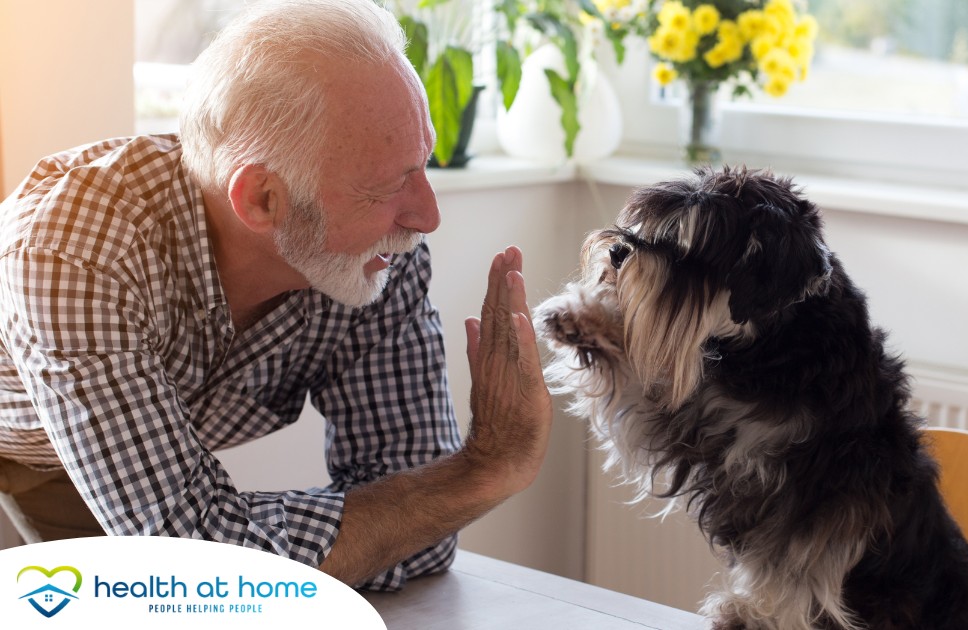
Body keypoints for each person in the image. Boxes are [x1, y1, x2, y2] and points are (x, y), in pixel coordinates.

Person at [0, 0, 553, 590]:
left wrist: (239, 536)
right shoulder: (75, 251)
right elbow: (195, 564)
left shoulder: (375, 254)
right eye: (388, 185)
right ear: (263, 200)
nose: (427, 217)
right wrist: (487, 468)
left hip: (132, 458)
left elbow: (422, 533)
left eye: (421, 165)